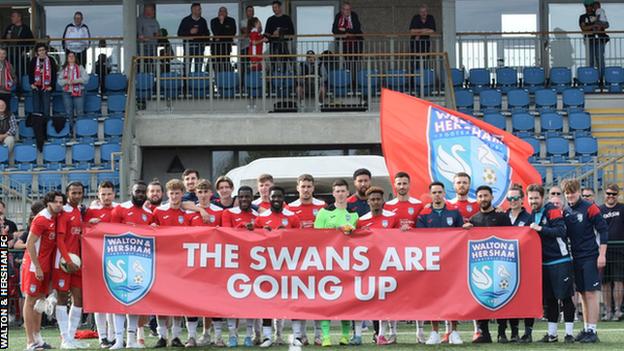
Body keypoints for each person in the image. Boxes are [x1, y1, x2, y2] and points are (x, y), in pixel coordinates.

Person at [525, 184, 574, 343]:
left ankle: (569, 334)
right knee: (550, 299)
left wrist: (540, 228)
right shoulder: (532, 214)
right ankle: (552, 334)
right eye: (530, 198)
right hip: (544, 263)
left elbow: (561, 231)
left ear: (542, 197)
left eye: (536, 198)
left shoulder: (551, 210)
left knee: (565, 298)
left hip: (560, 260)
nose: (533, 201)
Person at [463, 185, 512, 344]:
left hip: (500, 264)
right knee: (481, 298)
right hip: (480, 264)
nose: (483, 199)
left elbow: (512, 237)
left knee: (502, 297)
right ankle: (484, 332)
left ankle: (502, 333)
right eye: (480, 196)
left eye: (486, 195)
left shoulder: (502, 216)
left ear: (491, 197)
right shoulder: (474, 219)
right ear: (477, 199)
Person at [416, 182, 464, 345]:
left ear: (444, 193)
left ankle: (454, 331)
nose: (437, 195)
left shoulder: (454, 212)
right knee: (433, 297)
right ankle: (435, 332)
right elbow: (419, 238)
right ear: (430, 194)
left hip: (452, 262)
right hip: (432, 262)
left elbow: (462, 235)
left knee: (453, 297)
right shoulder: (424, 214)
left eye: (439, 192)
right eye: (434, 192)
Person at [561, 178, 608, 343]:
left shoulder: (590, 207)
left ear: (578, 192)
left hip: (590, 256)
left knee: (591, 293)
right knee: (582, 293)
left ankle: (593, 331)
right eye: (567, 193)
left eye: (572, 192)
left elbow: (603, 230)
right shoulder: (566, 211)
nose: (570, 196)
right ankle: (587, 328)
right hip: (575, 257)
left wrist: (602, 255)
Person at [313, 179, 359, 347]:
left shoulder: (354, 214)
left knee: (346, 300)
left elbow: (361, 239)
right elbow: (316, 238)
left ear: (348, 193)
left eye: (343, 191)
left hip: (347, 263)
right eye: (337, 191)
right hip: (327, 261)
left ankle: (345, 336)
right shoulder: (324, 213)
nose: (340, 194)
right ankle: (325, 337)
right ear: (333, 194)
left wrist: (351, 233)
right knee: (327, 301)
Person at [254, 186, 301, 348]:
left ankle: (297, 336)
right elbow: (253, 240)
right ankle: (267, 336)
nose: (276, 200)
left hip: (289, 264)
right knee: (268, 300)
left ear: (283, 198)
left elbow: (303, 241)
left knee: (293, 299)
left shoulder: (292, 217)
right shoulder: (261, 217)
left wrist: (287, 234)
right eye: (273, 197)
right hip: (267, 265)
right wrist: (263, 232)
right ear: (269, 198)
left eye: (279, 197)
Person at [357, 186, 403, 345]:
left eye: (378, 199)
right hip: (371, 266)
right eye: (372, 200)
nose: (376, 202)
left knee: (391, 299)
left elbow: (402, 240)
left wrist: (405, 231)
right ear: (368, 201)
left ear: (383, 201)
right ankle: (380, 334)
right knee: (376, 300)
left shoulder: (392, 217)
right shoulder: (361, 220)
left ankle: (393, 332)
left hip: (390, 264)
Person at [110, 181, 154, 350]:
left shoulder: (148, 213)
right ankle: (118, 340)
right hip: (120, 259)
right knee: (119, 300)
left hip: (140, 262)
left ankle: (131, 339)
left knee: (135, 300)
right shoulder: (120, 209)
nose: (141, 194)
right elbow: (110, 230)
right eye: (138, 191)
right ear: (131, 191)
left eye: (143, 192)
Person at [21, 191, 65, 351]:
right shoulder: (41, 219)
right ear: (48, 203)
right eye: (56, 202)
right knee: (30, 301)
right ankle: (30, 342)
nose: (59, 205)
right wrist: (37, 266)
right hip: (34, 266)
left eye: (61, 202)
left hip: (45, 266)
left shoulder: (54, 218)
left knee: (40, 301)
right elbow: (29, 244)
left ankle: (38, 339)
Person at [152, 179, 190, 348]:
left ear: (182, 194)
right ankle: (162, 336)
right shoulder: (158, 211)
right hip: (162, 262)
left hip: (181, 263)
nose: (174, 196)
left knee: (178, 301)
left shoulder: (187, 213)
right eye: (172, 193)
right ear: (167, 194)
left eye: (177, 193)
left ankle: (175, 336)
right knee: (161, 302)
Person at [53, 182, 89, 349]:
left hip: (77, 263)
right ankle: (64, 339)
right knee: (61, 299)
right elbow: (59, 239)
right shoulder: (63, 213)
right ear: (67, 194)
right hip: (63, 263)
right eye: (73, 193)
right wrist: (67, 260)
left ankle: (71, 337)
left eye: (79, 192)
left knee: (79, 299)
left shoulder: (79, 211)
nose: (76, 195)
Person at [84, 181, 117, 347]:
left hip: (116, 260)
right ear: (98, 195)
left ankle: (113, 336)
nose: (106, 197)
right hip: (96, 260)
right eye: (103, 194)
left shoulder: (119, 209)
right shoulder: (91, 211)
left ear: (114, 194)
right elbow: (81, 230)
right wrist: (89, 225)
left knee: (114, 298)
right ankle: (102, 337)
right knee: (99, 300)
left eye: (109, 193)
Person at [505, 184, 533, 343]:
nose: (513, 201)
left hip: (526, 263)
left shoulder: (529, 217)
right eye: (510, 198)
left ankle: (528, 332)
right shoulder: (503, 216)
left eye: (516, 198)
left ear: (522, 199)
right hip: (507, 265)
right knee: (510, 298)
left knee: (528, 297)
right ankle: (514, 331)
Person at [600, 183, 624, 321]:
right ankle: (607, 311)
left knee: (618, 280)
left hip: (619, 251)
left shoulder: (622, 208)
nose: (610, 196)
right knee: (605, 282)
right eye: (608, 193)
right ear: (604, 194)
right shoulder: (599, 210)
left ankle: (617, 310)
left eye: (613, 194)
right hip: (603, 252)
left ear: (618, 195)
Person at [331, 2, 363, 82]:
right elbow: (334, 30)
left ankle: (356, 81)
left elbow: (357, 29)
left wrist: (345, 29)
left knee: (355, 63)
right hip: (344, 44)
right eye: (345, 9)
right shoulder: (338, 16)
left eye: (348, 9)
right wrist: (347, 32)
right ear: (342, 10)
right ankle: (347, 81)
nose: (347, 11)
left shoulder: (354, 15)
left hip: (356, 44)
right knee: (346, 62)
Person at [2, 10, 34, 86]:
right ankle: (8, 87)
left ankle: (19, 90)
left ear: (19, 18)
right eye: (11, 16)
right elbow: (3, 39)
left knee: (19, 72)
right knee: (8, 71)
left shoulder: (25, 28)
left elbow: (32, 42)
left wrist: (25, 51)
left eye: (13, 16)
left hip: (19, 55)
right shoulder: (10, 27)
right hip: (9, 54)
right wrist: (6, 38)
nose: (11, 18)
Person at [177, 2, 210, 75]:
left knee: (199, 66)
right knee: (187, 66)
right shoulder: (185, 20)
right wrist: (190, 32)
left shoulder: (203, 21)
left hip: (200, 47)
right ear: (193, 10)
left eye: (200, 9)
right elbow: (179, 33)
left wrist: (204, 38)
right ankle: (186, 85)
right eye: (198, 9)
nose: (200, 11)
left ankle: (196, 85)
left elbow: (207, 34)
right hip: (189, 47)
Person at [28, 43, 58, 120]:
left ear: (46, 51)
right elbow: (30, 73)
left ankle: (47, 127)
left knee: (46, 109)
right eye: (39, 50)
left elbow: (54, 74)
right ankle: (38, 127)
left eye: (43, 50)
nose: (41, 52)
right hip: (36, 87)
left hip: (47, 87)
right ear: (37, 52)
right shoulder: (34, 60)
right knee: (36, 109)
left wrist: (51, 86)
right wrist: (31, 83)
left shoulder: (51, 60)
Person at [264, 1, 295, 72]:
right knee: (272, 61)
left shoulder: (287, 18)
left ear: (280, 7)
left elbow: (292, 31)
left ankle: (284, 79)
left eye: (276, 7)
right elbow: (266, 33)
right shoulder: (270, 19)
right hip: (273, 44)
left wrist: (281, 31)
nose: (274, 9)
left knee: (285, 60)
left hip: (285, 43)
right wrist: (273, 34)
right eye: (273, 8)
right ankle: (273, 79)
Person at [579, 2, 607, 78]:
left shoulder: (598, 14)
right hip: (589, 40)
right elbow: (583, 28)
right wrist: (594, 25)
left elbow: (606, 25)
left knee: (600, 59)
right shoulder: (582, 17)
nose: (588, 7)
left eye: (590, 6)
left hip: (600, 39)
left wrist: (599, 26)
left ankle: (602, 78)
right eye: (586, 6)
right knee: (590, 60)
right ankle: (591, 78)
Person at [57, 52, 88, 119]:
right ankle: (70, 128)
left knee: (80, 112)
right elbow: (59, 81)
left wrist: (76, 81)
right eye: (69, 56)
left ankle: (80, 128)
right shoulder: (63, 68)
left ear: (75, 58)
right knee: (68, 112)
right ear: (67, 58)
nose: (71, 57)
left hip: (79, 92)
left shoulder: (80, 67)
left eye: (73, 56)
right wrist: (67, 81)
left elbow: (86, 79)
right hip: (66, 92)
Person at [210, 7, 237, 72]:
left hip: (226, 46)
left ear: (227, 13)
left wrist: (221, 36)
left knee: (226, 63)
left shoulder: (231, 20)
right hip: (216, 48)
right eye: (220, 11)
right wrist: (221, 23)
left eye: (224, 11)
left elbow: (233, 32)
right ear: (218, 13)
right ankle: (217, 79)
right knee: (216, 64)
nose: (222, 13)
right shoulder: (213, 21)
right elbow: (215, 32)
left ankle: (224, 78)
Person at [137, 4, 161, 73]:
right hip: (142, 49)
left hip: (153, 48)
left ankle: (152, 80)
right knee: (142, 66)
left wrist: (158, 34)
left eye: (150, 10)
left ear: (153, 11)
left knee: (152, 66)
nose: (148, 12)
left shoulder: (155, 21)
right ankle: (143, 80)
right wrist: (142, 38)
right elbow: (138, 33)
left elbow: (158, 33)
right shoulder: (140, 20)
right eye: (146, 10)